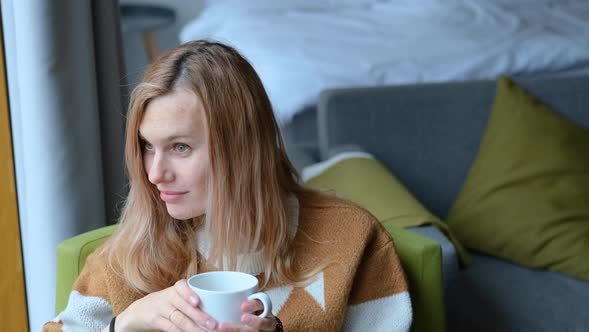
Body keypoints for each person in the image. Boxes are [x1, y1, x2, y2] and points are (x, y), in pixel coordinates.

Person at [44, 40, 412, 332]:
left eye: (180, 147)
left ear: (242, 150)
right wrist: (122, 325)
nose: (155, 173)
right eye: (147, 147)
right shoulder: (128, 255)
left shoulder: (349, 238)